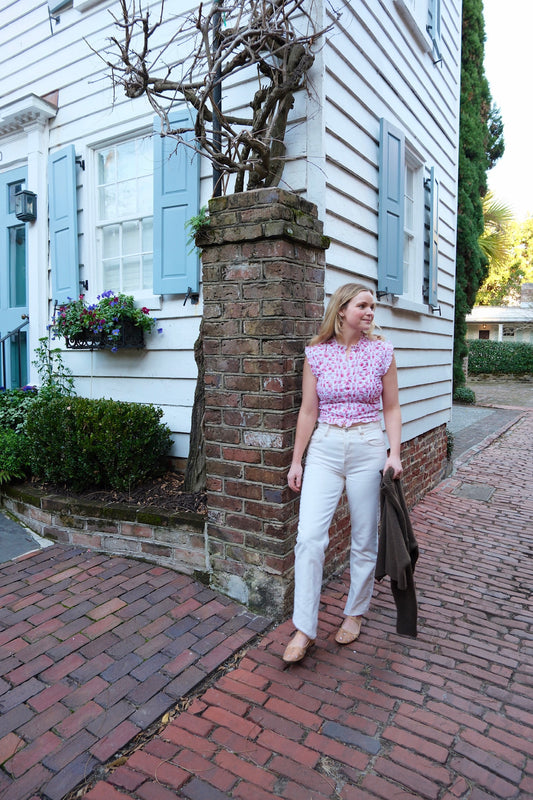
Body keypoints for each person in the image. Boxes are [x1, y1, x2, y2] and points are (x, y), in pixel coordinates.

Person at [282, 283, 403, 664]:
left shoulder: (382, 352)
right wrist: (297, 460)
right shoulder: (317, 354)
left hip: (368, 446)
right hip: (325, 447)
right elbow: (308, 411)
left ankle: (355, 612)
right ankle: (304, 628)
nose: (370, 312)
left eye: (372, 307)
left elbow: (392, 407)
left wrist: (395, 453)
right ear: (341, 310)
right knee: (309, 538)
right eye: (362, 305)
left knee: (364, 537)